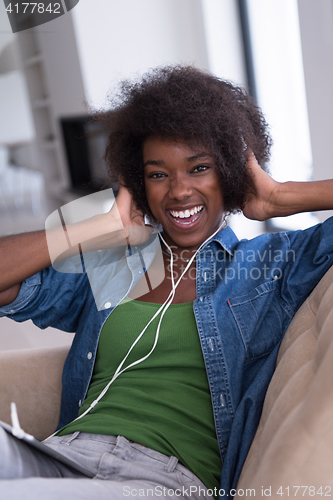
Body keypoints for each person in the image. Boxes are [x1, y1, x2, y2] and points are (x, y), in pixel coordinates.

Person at [0, 65, 332, 500]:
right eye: (158, 174)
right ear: (138, 183)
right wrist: (96, 229)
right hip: (61, 457)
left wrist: (280, 196)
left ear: (230, 174)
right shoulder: (109, 267)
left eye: (200, 168)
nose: (178, 191)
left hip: (162, 481)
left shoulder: (273, 265)